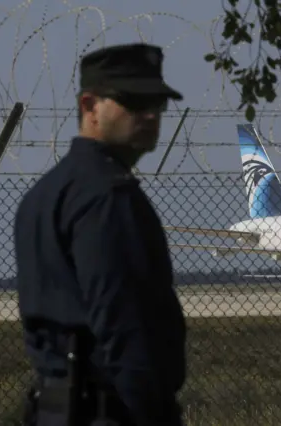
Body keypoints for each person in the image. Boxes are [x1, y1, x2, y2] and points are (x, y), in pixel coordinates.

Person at [14, 42, 187, 425]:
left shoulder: (44, 195)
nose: (149, 116)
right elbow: (123, 325)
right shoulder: (108, 198)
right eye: (132, 102)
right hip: (111, 411)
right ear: (89, 106)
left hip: (55, 408)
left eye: (157, 104)